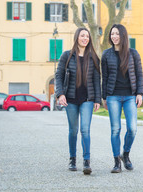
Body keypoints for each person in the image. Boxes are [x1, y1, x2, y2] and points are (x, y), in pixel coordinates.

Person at [55, 27, 101, 175]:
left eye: (87, 36)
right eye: (82, 36)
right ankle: (72, 159)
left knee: (85, 130)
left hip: (87, 99)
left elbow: (96, 80)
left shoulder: (93, 57)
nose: (85, 38)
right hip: (71, 99)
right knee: (73, 130)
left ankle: (86, 161)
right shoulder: (66, 56)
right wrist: (60, 94)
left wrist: (97, 99)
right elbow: (59, 76)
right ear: (77, 37)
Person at [101, 24, 143, 173]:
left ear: (123, 35)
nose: (114, 36)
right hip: (113, 96)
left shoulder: (133, 53)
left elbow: (139, 75)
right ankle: (116, 162)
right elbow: (104, 77)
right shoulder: (106, 54)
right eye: (112, 34)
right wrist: (104, 97)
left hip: (130, 96)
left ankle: (125, 154)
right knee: (115, 129)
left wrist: (139, 93)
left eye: (117, 34)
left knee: (132, 128)